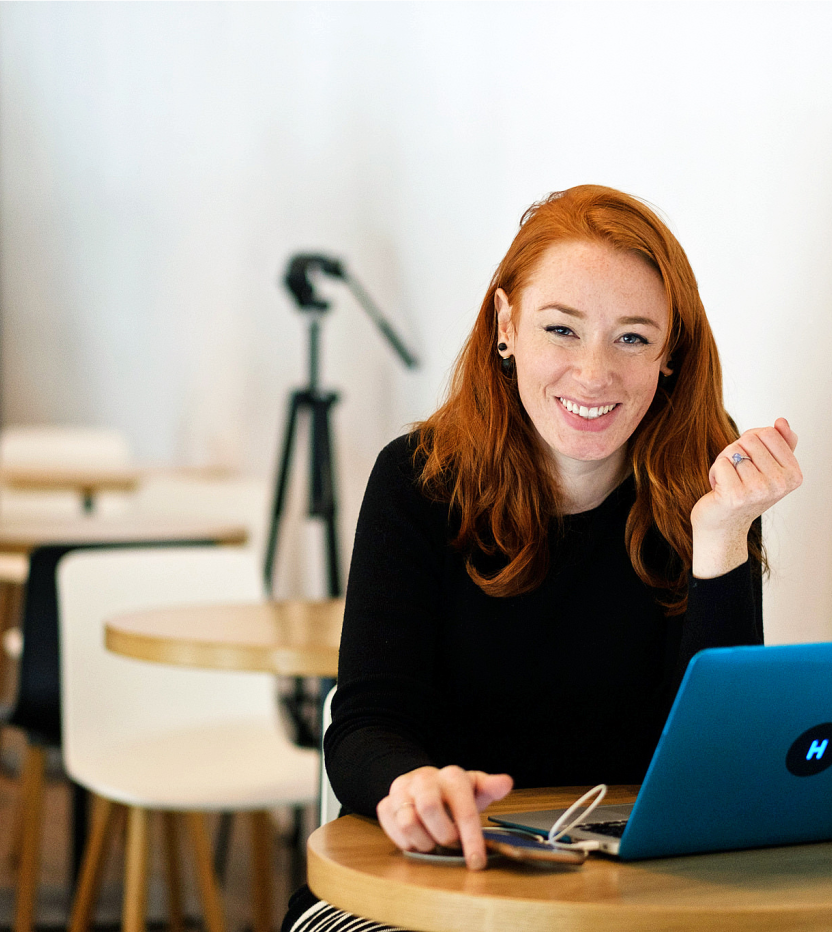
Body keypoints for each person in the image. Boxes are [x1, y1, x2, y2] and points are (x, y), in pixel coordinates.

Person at [283, 184, 801, 932]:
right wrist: (412, 784)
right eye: (562, 330)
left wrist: (720, 540)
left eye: (631, 338)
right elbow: (365, 723)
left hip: (619, 897)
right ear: (507, 326)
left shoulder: (704, 491)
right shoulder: (418, 480)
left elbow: (713, 766)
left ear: (669, 356)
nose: (594, 374)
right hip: (429, 881)